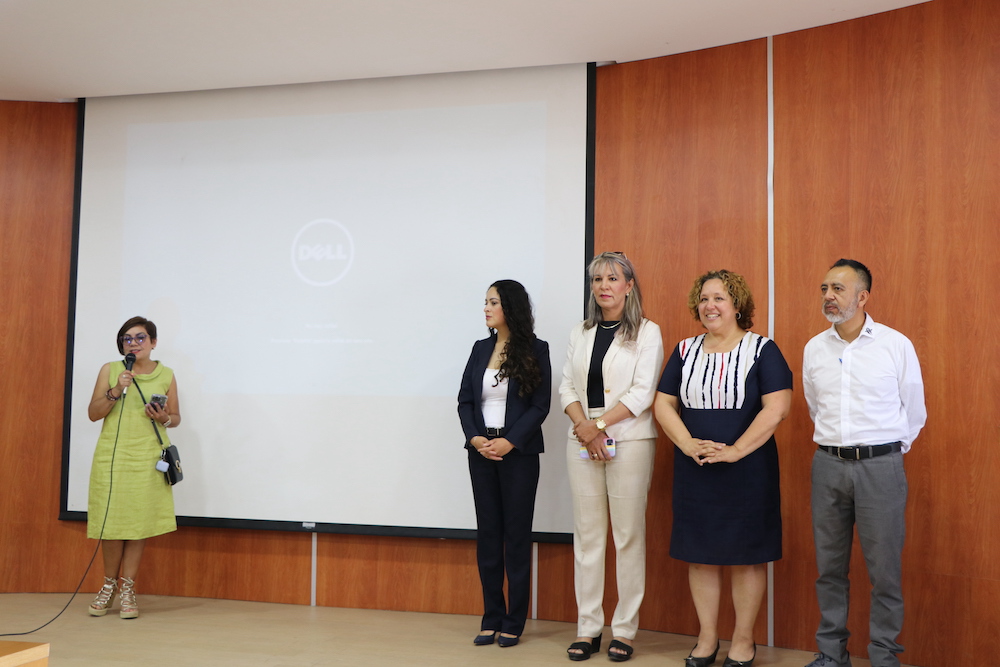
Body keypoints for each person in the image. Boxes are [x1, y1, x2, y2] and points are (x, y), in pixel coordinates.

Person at [654, 270, 792, 667]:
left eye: (719, 298)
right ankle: (707, 638)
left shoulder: (762, 349)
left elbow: (778, 407)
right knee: (700, 554)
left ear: (737, 306)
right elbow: (663, 403)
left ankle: (743, 641)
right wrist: (686, 443)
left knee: (747, 556)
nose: (709, 306)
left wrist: (736, 451)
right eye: (704, 299)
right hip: (695, 467)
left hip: (748, 469)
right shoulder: (684, 350)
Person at [802, 260, 925, 667]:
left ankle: (884, 657)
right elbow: (815, 407)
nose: (828, 296)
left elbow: (914, 411)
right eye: (824, 288)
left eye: (838, 289)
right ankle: (831, 654)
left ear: (863, 296)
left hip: (880, 468)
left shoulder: (895, 345)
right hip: (828, 466)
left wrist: (884, 452)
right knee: (829, 568)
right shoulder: (814, 348)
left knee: (884, 572)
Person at [559, 252, 664, 663]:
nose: (604, 286)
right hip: (582, 442)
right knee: (587, 538)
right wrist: (585, 428)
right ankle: (588, 628)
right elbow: (566, 387)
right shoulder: (580, 331)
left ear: (629, 286)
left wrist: (599, 426)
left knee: (627, 537)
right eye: (597, 279)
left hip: (629, 441)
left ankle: (624, 630)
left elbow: (643, 392)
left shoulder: (648, 332)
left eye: (612, 278)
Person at [458, 280, 551, 648]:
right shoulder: (480, 348)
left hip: (518, 454)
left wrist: (510, 441)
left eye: (493, 302)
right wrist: (475, 438)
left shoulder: (536, 349)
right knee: (488, 536)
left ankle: (514, 621)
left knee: (516, 538)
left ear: (510, 307)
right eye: (485, 302)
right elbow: (466, 401)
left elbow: (540, 405)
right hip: (481, 452)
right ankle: (491, 617)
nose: (486, 308)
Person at [86, 316, 181, 619]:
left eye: (140, 338)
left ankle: (128, 588)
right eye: (127, 339)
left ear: (153, 342)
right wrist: (116, 389)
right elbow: (93, 413)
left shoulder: (166, 374)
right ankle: (108, 585)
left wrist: (163, 417)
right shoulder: (111, 370)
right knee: (112, 524)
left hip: (146, 458)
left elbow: (175, 418)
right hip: (112, 457)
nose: (134, 343)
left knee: (137, 524)